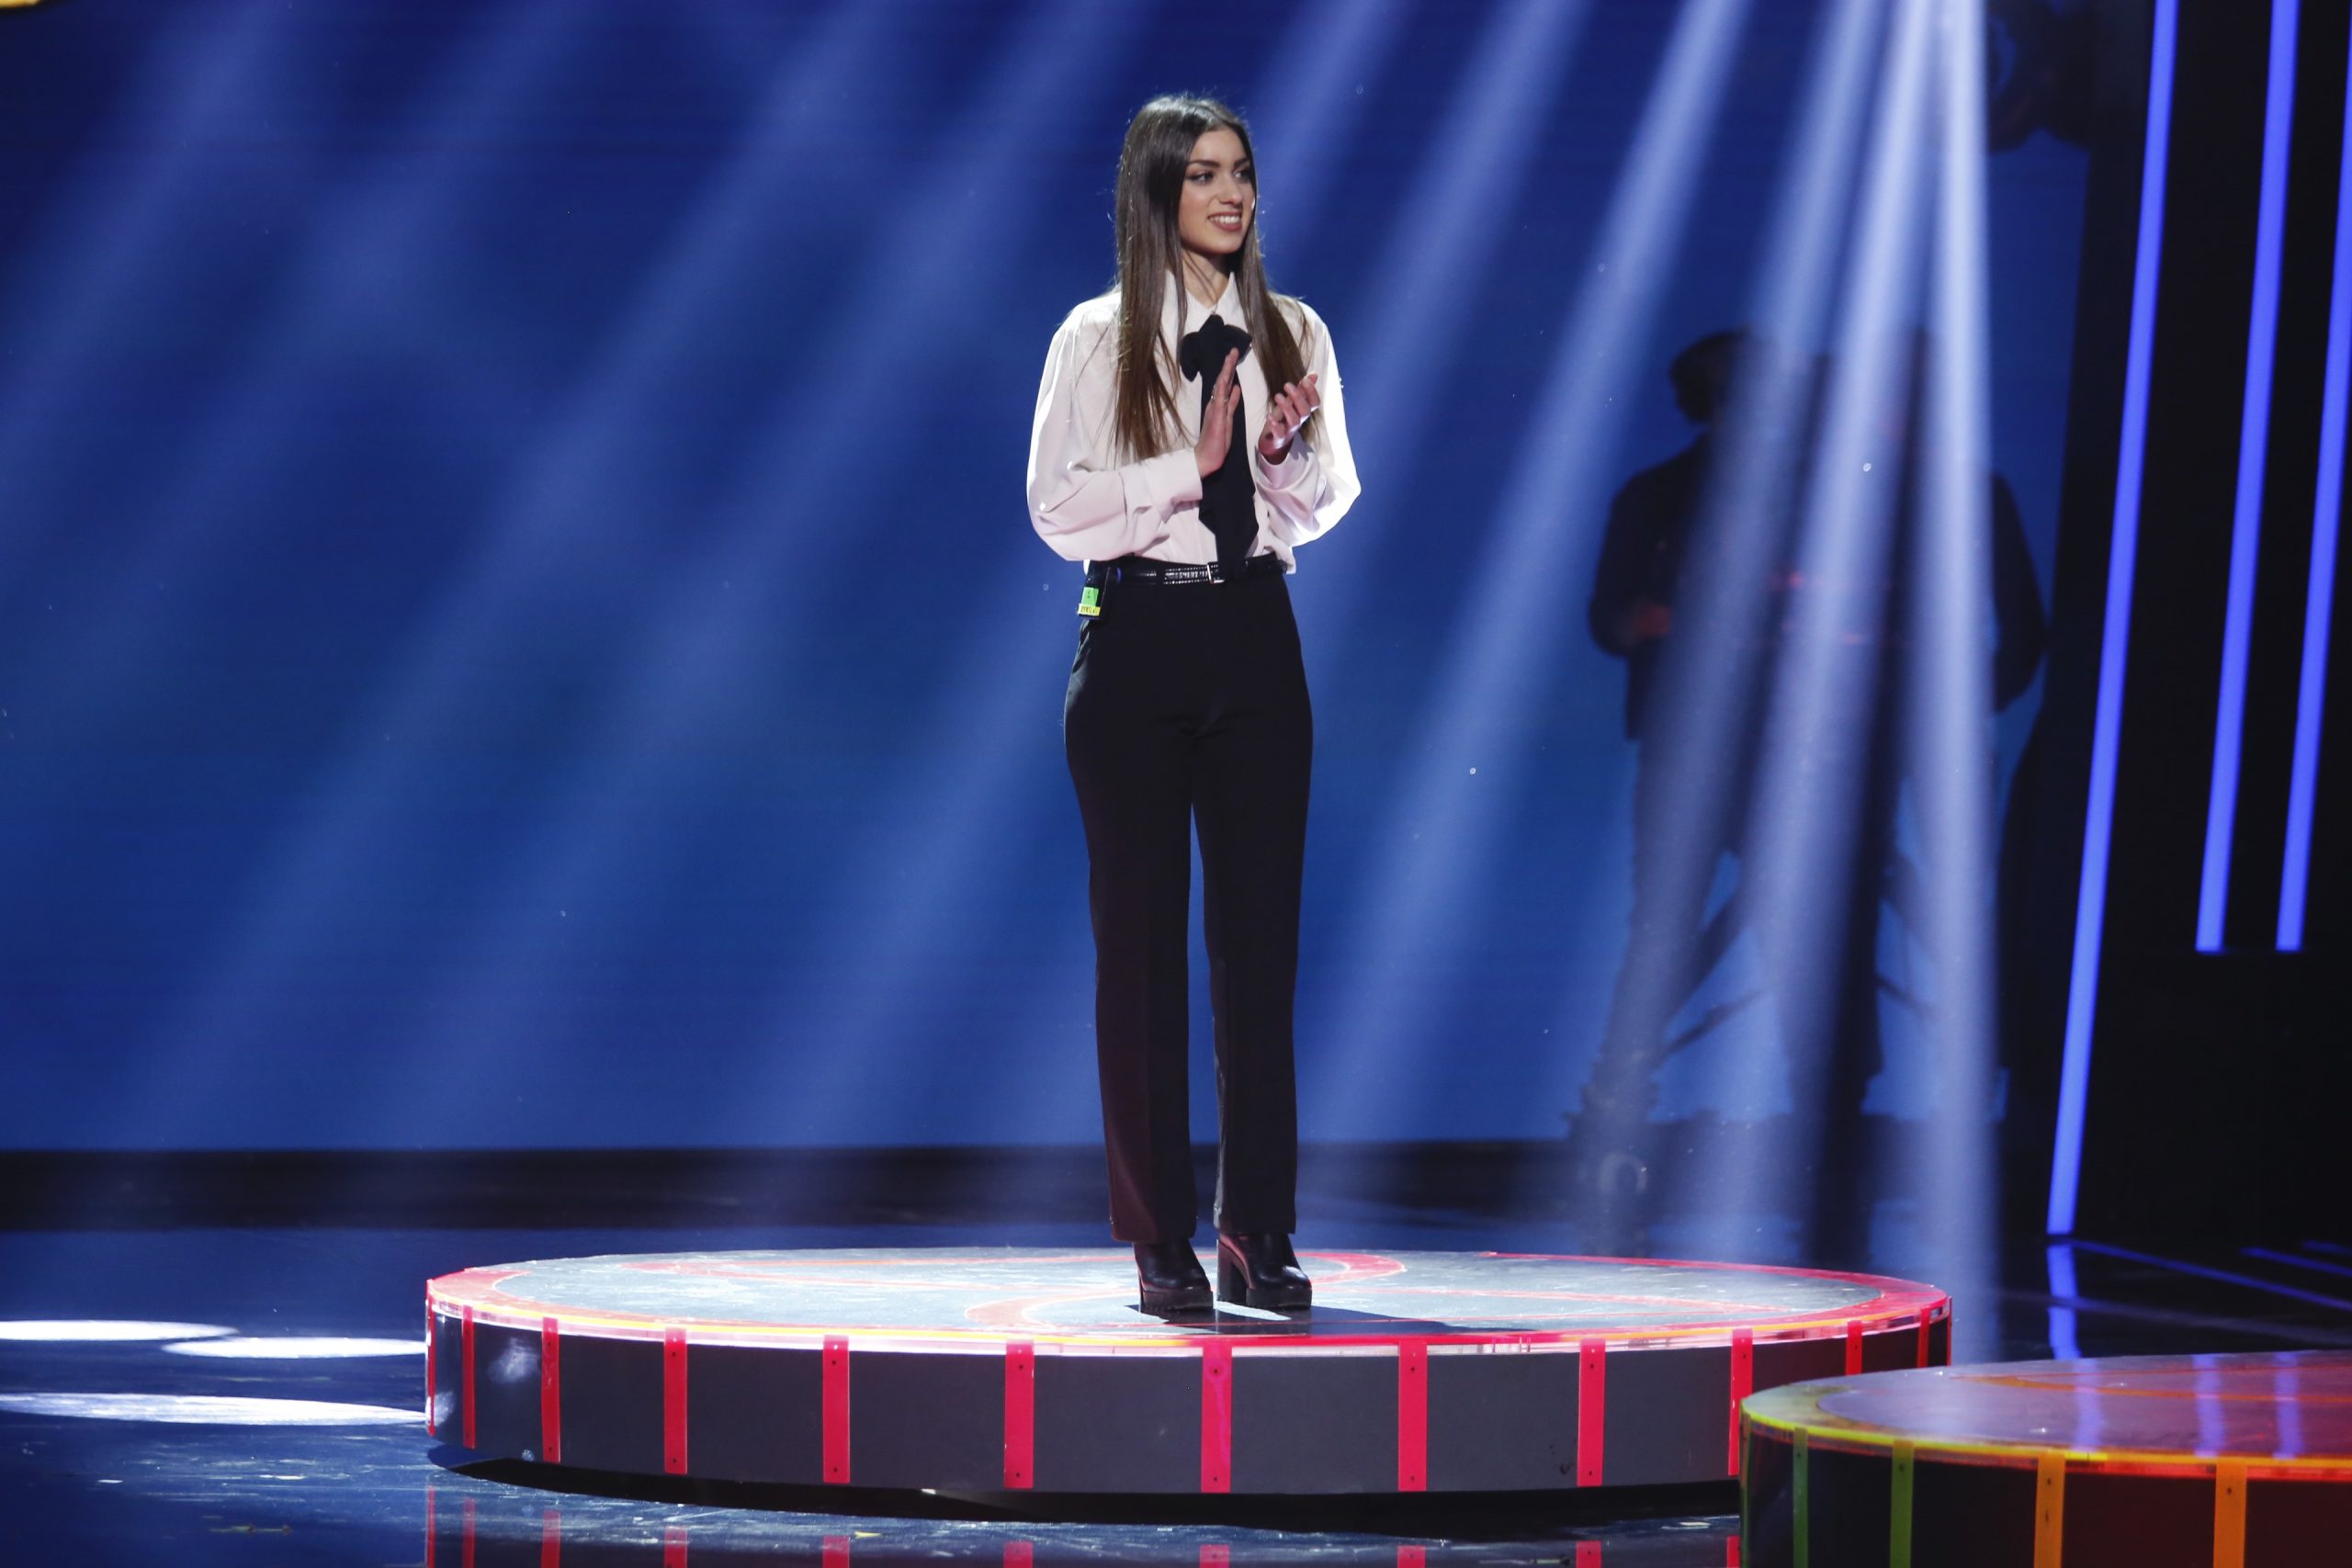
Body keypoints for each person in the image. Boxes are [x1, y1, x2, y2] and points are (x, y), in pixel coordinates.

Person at [1025, 95, 1358, 1314]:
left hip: (1254, 634)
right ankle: (1158, 1234)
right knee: (1142, 951)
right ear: (1158, 190)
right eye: (1206, 173)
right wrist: (1189, 468)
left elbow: (1328, 497)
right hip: (1137, 637)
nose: (1232, 194)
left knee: (1260, 948)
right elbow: (1056, 507)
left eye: (1242, 172)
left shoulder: (1293, 328)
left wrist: (1275, 460)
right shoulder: (1096, 336)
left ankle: (1256, 1228)